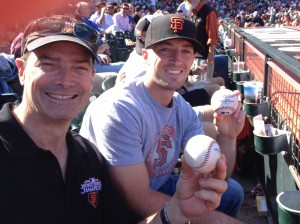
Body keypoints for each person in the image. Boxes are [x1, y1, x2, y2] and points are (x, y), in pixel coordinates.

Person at [0, 14, 228, 224]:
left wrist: (175, 213)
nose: (65, 80)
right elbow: (138, 199)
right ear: (21, 71)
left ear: (91, 76)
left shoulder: (87, 156)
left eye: (79, 67)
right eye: (48, 65)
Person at [80, 14, 246, 223]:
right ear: (146, 56)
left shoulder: (180, 107)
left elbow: (214, 177)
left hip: (156, 186)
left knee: (231, 192)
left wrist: (228, 137)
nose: (177, 59)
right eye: (165, 49)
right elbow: (137, 200)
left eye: (185, 51)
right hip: (115, 208)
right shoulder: (119, 109)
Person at [185, 0, 218, 79]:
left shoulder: (209, 12)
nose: (187, 1)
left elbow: (212, 36)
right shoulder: (190, 13)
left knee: (203, 84)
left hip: (203, 58)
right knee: (193, 84)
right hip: (192, 57)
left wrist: (211, 54)